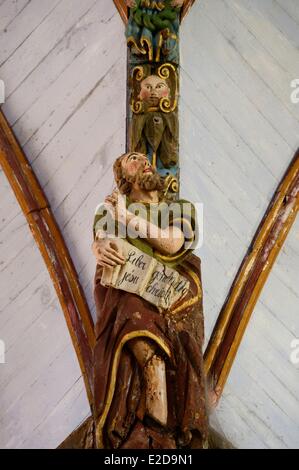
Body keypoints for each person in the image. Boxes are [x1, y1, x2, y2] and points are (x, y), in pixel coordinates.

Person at [92, 152, 209, 449]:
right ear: (123, 180)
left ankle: (160, 429)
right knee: (137, 322)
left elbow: (171, 244)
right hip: (131, 294)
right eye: (134, 159)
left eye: (146, 158)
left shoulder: (178, 208)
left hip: (174, 295)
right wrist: (100, 245)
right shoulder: (110, 209)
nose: (145, 161)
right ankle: (154, 429)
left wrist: (127, 218)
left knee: (164, 343)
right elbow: (102, 239)